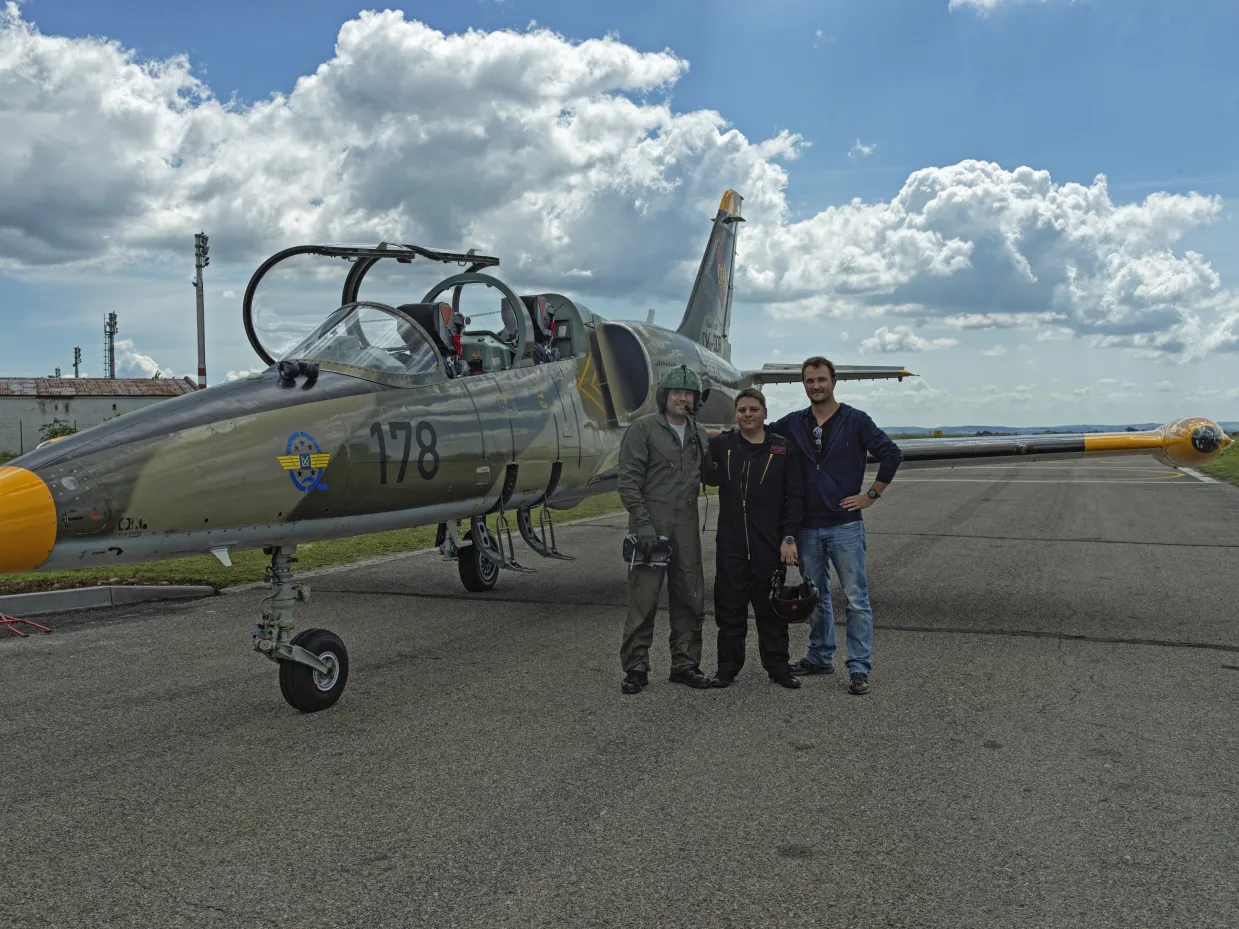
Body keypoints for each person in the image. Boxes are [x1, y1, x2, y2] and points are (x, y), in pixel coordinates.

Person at [771, 356, 903, 696]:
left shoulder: (855, 420)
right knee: (816, 596)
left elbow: (892, 454)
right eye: (809, 381)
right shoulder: (793, 422)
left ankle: (859, 667)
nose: (816, 386)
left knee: (856, 599)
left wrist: (871, 495)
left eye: (821, 380)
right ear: (804, 385)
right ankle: (820, 656)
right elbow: (756, 432)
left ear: (833, 382)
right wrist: (711, 434)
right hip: (808, 527)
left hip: (844, 525)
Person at [617, 365, 714, 694]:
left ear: (696, 400)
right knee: (644, 598)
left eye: (688, 393)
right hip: (651, 523)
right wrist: (643, 523)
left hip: (686, 524)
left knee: (690, 595)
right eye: (676, 393)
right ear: (665, 396)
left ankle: (685, 664)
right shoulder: (643, 429)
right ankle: (636, 666)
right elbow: (628, 481)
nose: (682, 398)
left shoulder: (699, 434)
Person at [704, 388, 805, 689]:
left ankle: (778, 667)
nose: (747, 415)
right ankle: (727, 668)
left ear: (765, 413)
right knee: (729, 610)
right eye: (742, 410)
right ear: (736, 415)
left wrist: (789, 537)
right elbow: (696, 440)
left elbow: (795, 496)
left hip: (768, 544)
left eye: (753, 409)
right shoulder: (724, 445)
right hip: (731, 545)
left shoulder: (782, 448)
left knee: (771, 609)